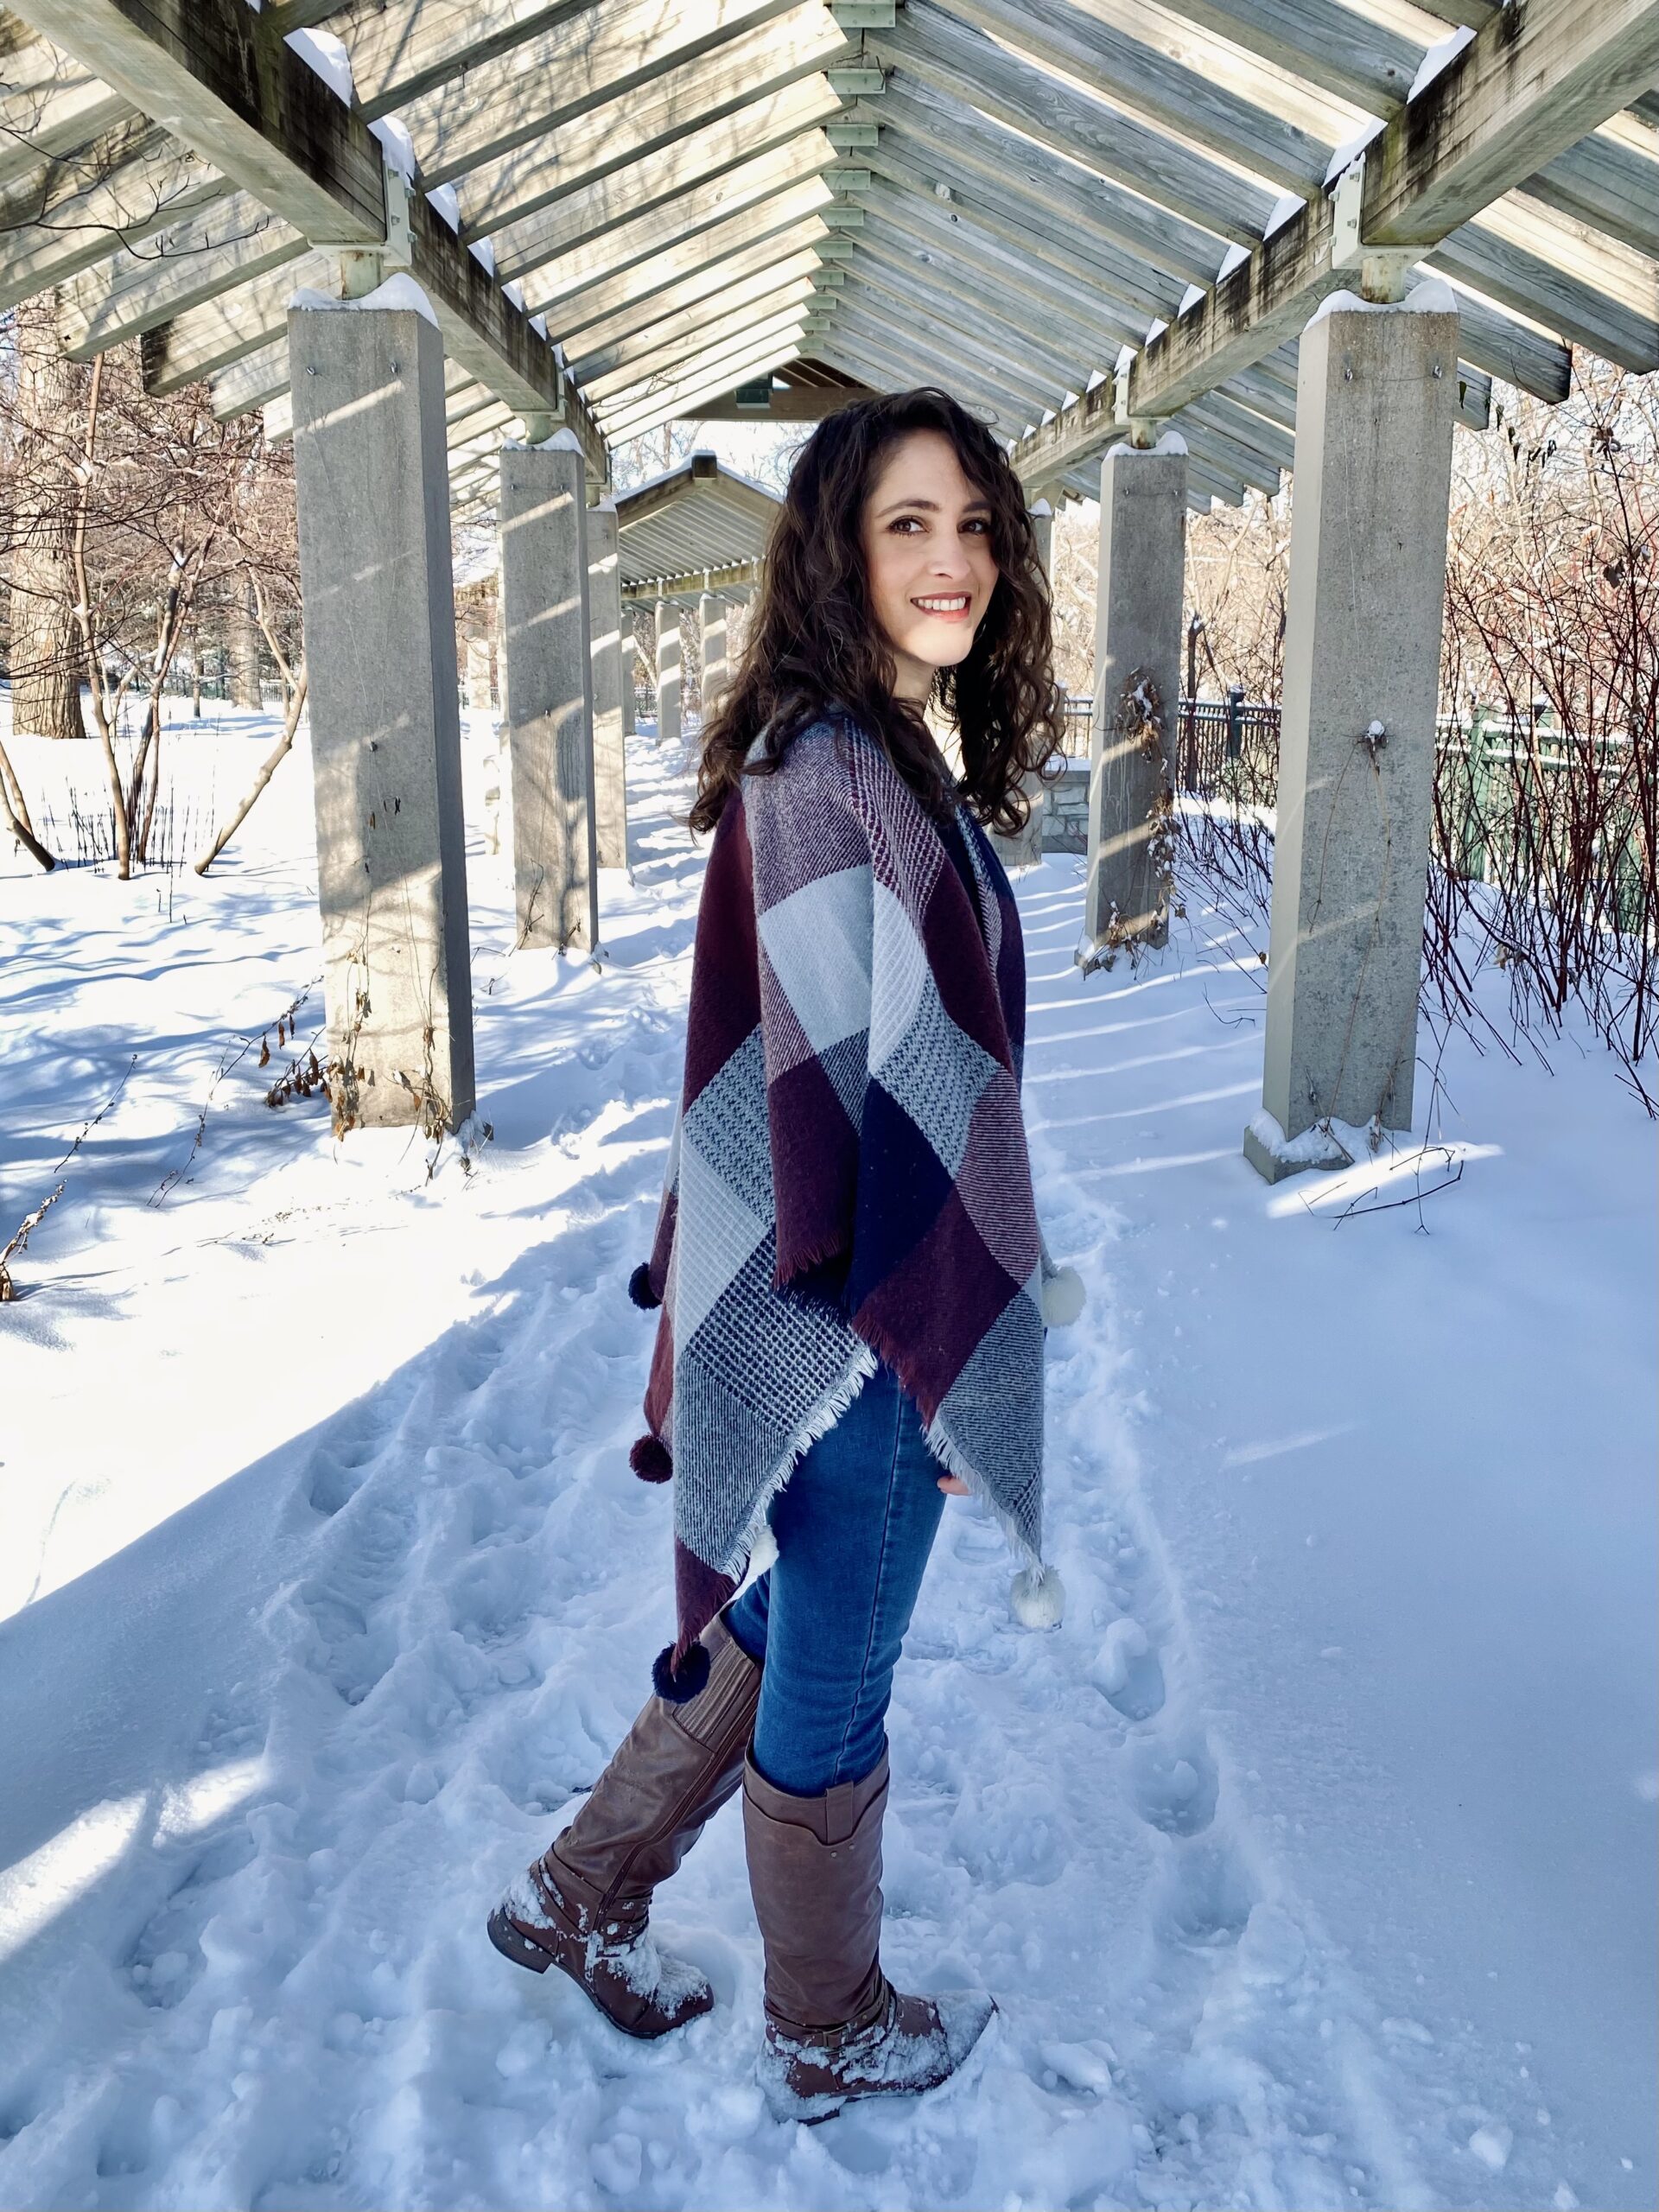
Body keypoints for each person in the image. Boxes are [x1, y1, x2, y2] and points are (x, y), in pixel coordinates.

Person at [489, 388, 1082, 2122]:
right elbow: (845, 1098)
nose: (955, 556)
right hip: (857, 1300)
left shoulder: (871, 754)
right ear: (837, 542)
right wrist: (937, 1338)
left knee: (808, 1600)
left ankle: (581, 1889)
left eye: (976, 522)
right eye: (911, 521)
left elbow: (898, 1065)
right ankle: (824, 2019)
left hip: (847, 1289)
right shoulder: (829, 773)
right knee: (840, 1657)